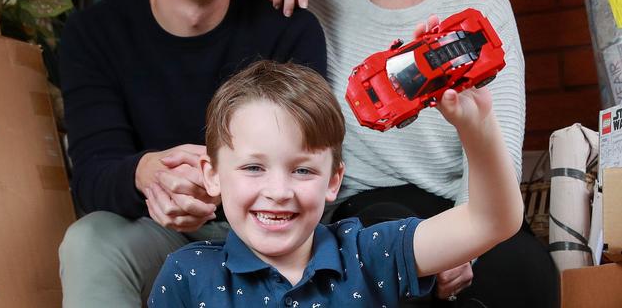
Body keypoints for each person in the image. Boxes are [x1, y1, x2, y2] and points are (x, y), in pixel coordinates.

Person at [241, 0, 558, 306]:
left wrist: (462, 242)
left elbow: (502, 152)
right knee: (390, 240)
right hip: (360, 208)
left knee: (528, 273)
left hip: (464, 203)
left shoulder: (478, 3)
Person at [57, 0, 326, 308]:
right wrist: (147, 175)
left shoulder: (287, 25)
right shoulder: (94, 34)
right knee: (89, 240)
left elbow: (305, 163)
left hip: (272, 227)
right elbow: (94, 170)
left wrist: (221, 183)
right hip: (157, 229)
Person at [148, 60, 524, 307]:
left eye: (302, 170)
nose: (279, 192)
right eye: (253, 168)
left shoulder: (369, 253)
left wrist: (477, 127)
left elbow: (492, 221)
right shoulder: (188, 274)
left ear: (333, 180)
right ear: (212, 174)